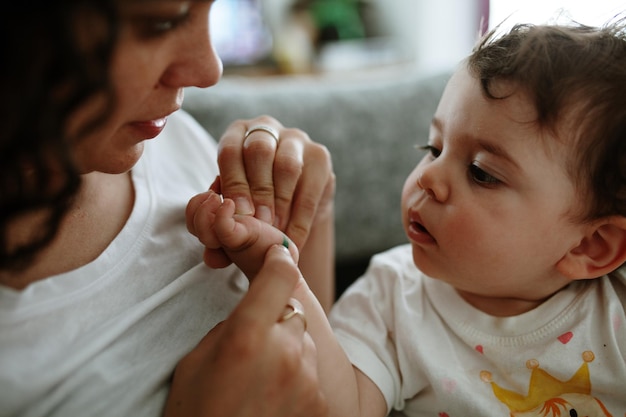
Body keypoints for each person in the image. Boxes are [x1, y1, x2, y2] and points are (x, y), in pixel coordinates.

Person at [193, 17, 626, 417]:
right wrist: (279, 265)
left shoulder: (615, 309)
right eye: (433, 149)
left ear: (590, 245)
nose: (429, 178)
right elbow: (339, 407)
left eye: (480, 173)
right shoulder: (391, 297)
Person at [0, 1, 335, 417]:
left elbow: (319, 379)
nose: (209, 70)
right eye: (162, 22)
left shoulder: (159, 134)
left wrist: (311, 214)